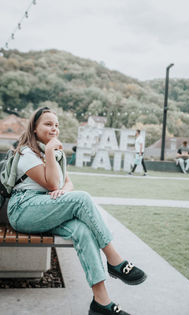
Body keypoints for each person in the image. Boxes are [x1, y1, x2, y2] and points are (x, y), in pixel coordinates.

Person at [7, 107, 147, 315]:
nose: (54, 129)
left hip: (45, 208)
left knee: (82, 230)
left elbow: (66, 183)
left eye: (56, 125)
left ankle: (101, 303)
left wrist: (63, 190)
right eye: (48, 124)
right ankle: (114, 259)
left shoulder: (54, 152)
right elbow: (54, 184)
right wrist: (51, 162)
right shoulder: (27, 152)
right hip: (23, 210)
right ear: (34, 128)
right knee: (83, 199)